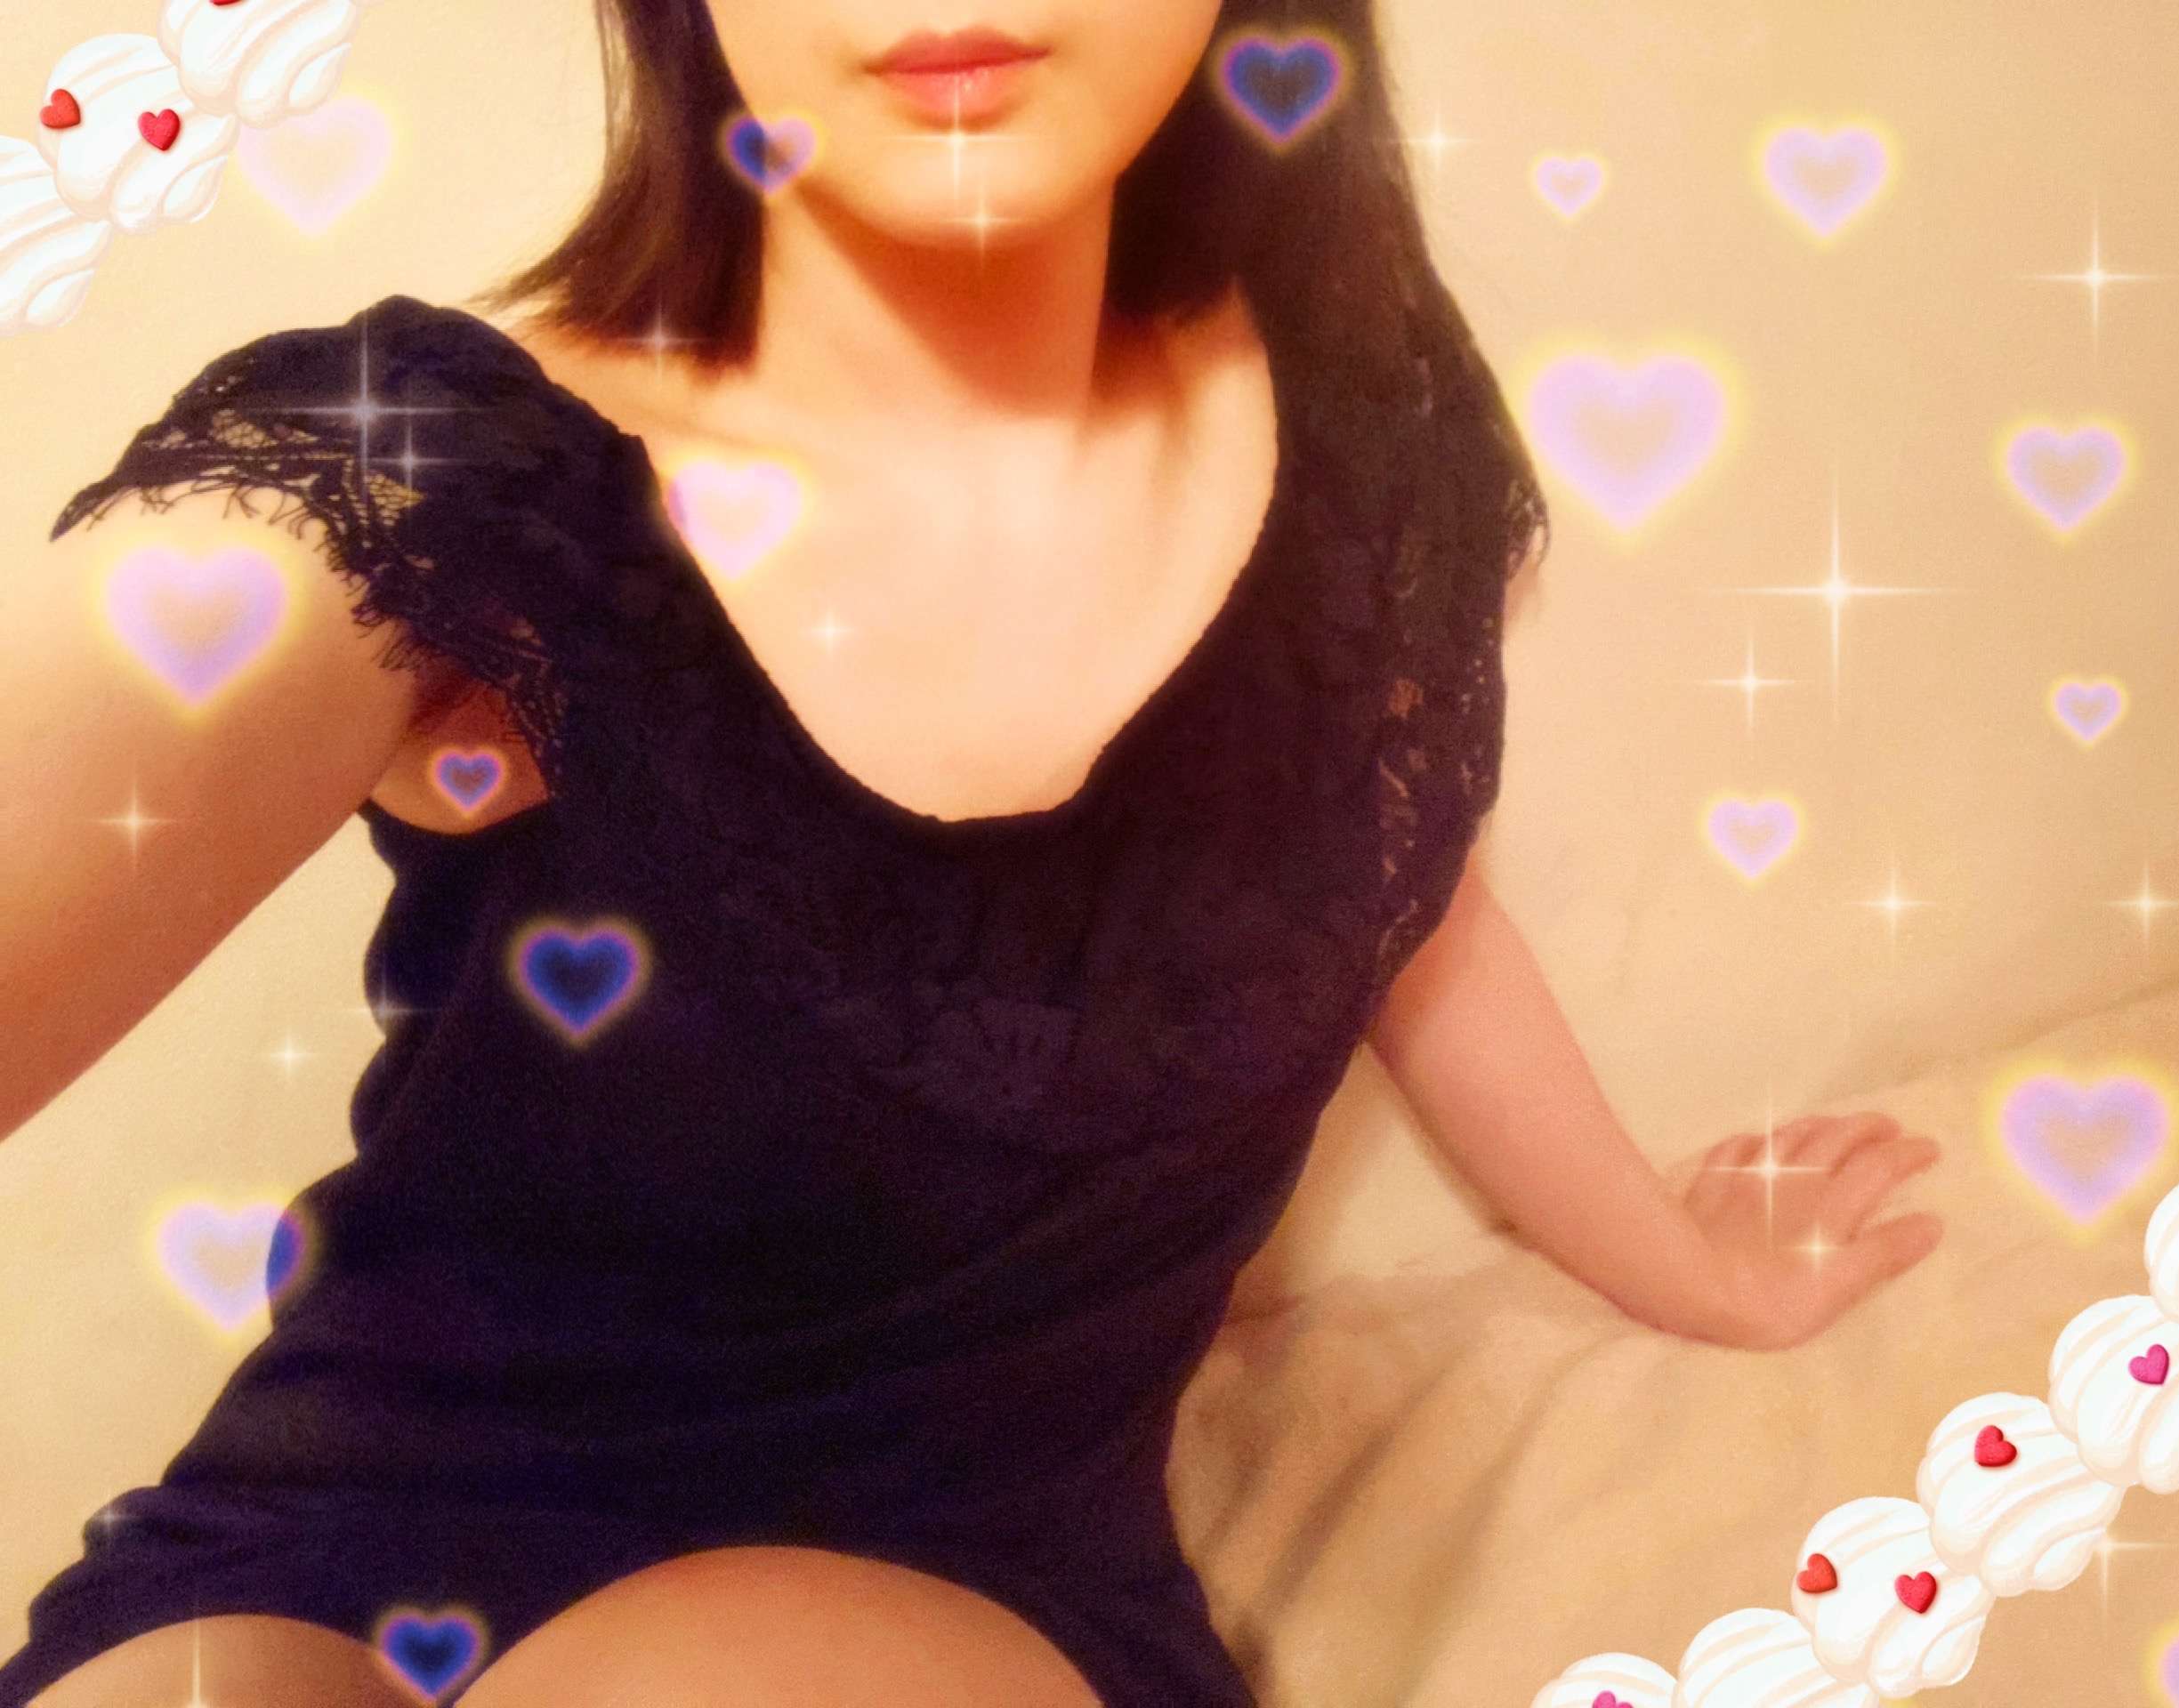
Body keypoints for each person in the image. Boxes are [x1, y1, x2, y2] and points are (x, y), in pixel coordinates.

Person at [0, 1, 1942, 1704]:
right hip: (330, 1539)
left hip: (957, 1569)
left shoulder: (1362, 423)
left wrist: (1680, 1261)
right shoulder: (431, 482)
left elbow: (1396, 898)